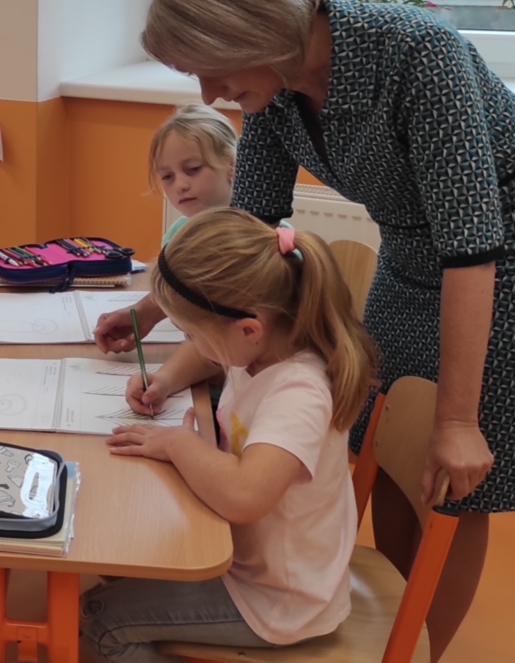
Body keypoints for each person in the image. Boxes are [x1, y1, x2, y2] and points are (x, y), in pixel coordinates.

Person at [118, 0, 515, 657]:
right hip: (416, 246)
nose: (211, 90)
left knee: (455, 471)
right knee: (387, 427)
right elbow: (242, 243)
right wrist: (153, 313)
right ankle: (400, 613)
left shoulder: (417, 55)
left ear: (255, 30)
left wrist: (458, 419)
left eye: (212, 64)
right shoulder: (275, 89)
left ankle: (418, 646)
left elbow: (471, 247)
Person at [83, 208, 377, 662]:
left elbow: (244, 496)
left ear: (249, 329)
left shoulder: (299, 393)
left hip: (277, 599)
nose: (191, 343)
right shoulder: (264, 346)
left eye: (191, 333)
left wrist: (179, 444)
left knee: (100, 618)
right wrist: (165, 379)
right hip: (247, 559)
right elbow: (211, 355)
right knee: (121, 558)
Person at [92, 103, 238, 354]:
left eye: (193, 169)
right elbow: (178, 292)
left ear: (232, 164)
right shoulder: (178, 233)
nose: (180, 185)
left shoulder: (258, 238)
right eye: (168, 176)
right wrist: (142, 313)